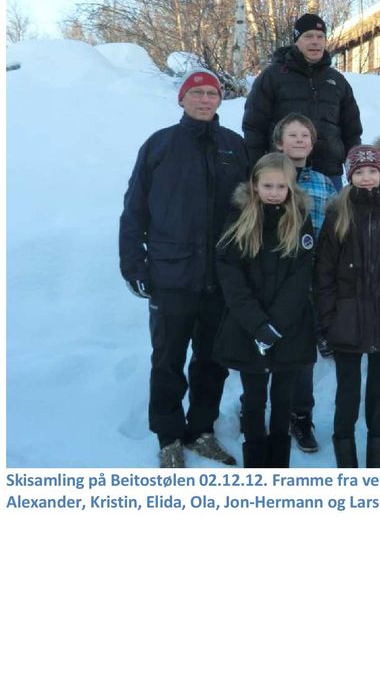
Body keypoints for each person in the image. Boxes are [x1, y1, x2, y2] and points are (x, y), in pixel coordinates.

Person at [119, 69, 249, 467]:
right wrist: (133, 264)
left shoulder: (235, 146)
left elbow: (253, 210)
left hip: (221, 278)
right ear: (182, 99)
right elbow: (134, 209)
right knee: (168, 360)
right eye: (198, 93)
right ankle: (169, 436)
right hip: (170, 274)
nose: (206, 99)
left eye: (212, 93)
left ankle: (202, 430)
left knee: (212, 361)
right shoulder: (160, 145)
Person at [314, 145, 380, 468]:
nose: (366, 178)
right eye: (359, 172)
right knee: (347, 397)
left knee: (378, 399)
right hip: (347, 323)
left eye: (371, 171)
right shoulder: (338, 213)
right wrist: (329, 318)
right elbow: (324, 273)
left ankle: (375, 468)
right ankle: (346, 468)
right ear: (350, 176)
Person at [214, 155, 317, 469]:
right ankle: (256, 467)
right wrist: (258, 325)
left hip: (289, 330)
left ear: (291, 187)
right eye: (267, 185)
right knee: (255, 401)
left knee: (283, 402)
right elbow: (231, 277)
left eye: (281, 186)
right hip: (249, 330)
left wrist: (277, 325)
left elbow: (300, 278)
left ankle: (278, 467)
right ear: (254, 185)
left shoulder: (300, 220)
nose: (274, 192)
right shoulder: (239, 218)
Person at [272, 114, 338, 453]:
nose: (299, 140)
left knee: (302, 352)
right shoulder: (267, 178)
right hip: (271, 279)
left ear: (312, 144)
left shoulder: (324, 183)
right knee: (265, 346)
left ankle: (301, 415)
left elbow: (336, 229)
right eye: (291, 135)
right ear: (279, 142)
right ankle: (256, 408)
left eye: (305, 136)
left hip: (309, 280)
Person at [242, 13, 362, 186]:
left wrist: (355, 169)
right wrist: (257, 169)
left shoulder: (337, 81)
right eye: (308, 36)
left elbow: (352, 131)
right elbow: (254, 126)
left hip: (329, 173)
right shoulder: (273, 76)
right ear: (296, 40)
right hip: (283, 173)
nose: (315, 41)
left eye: (320, 37)